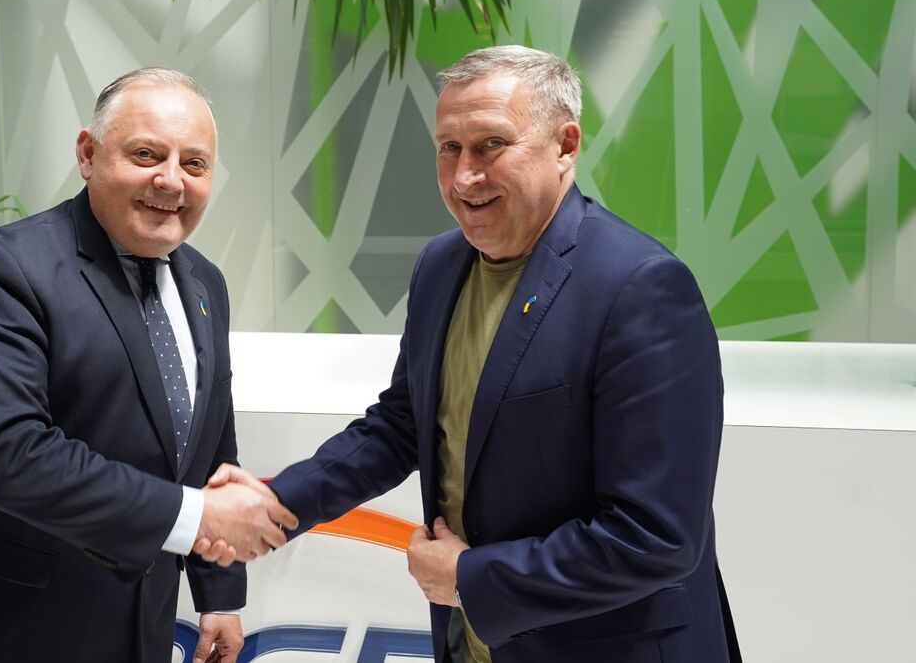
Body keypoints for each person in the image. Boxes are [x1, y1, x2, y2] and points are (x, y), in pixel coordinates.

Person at [211, 45, 740, 662]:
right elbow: (404, 425)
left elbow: (655, 536)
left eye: (491, 145)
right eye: (449, 148)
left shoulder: (641, 288)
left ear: (565, 146)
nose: (465, 176)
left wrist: (471, 579)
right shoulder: (441, 265)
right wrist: (279, 502)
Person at [0, 68, 297, 663]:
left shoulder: (205, 282)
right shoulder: (5, 269)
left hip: (140, 630)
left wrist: (220, 594)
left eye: (195, 164)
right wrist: (195, 517)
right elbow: (9, 454)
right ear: (87, 154)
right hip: (2, 632)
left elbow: (210, 447)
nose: (171, 181)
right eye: (146, 154)